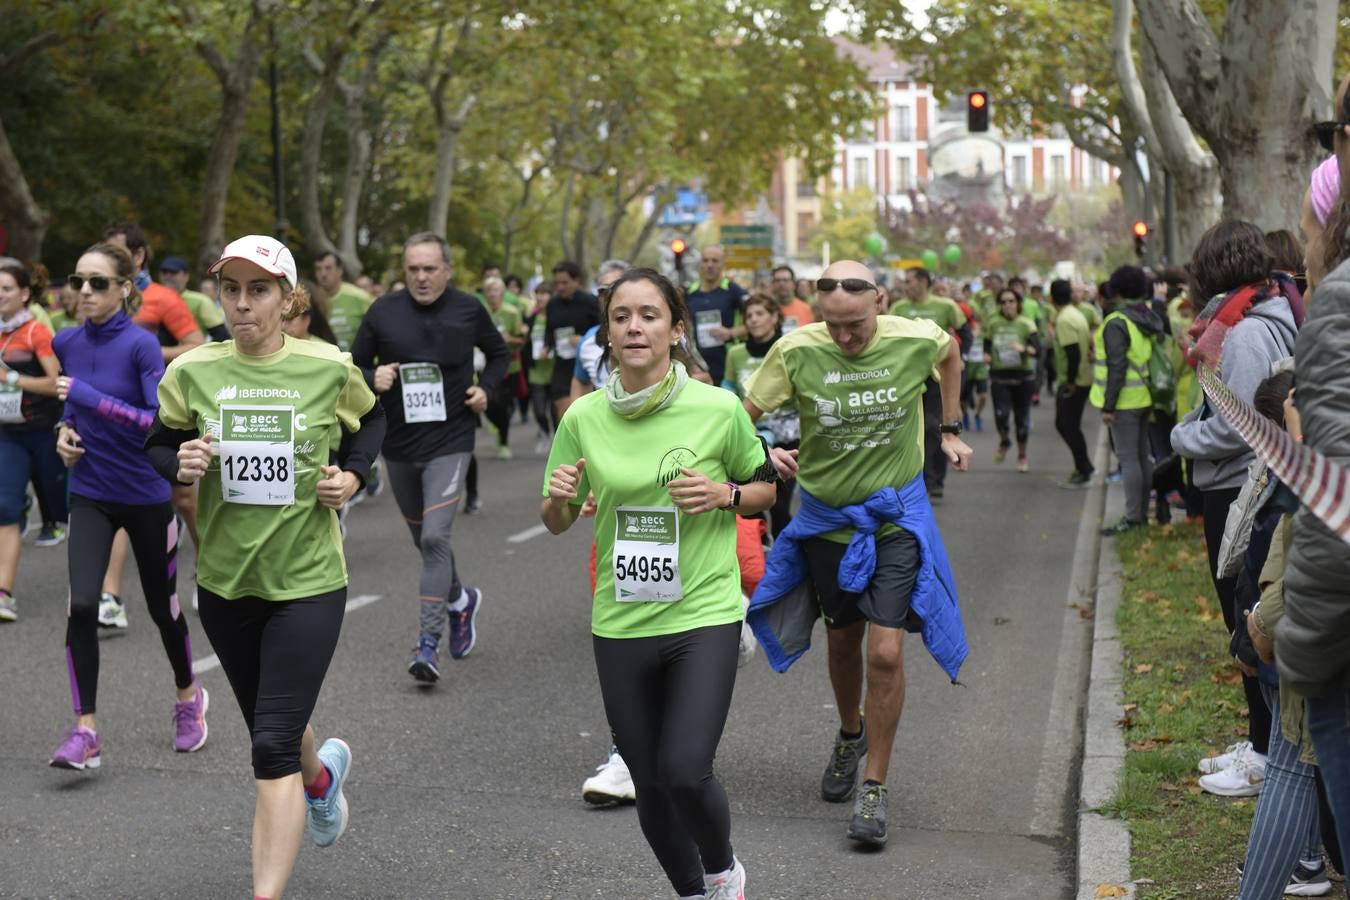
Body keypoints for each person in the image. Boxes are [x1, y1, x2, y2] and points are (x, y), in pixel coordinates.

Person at [145, 234, 384, 900]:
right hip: (224, 581)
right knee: (276, 727)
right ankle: (321, 780)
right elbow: (159, 444)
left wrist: (354, 477)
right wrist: (181, 461)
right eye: (231, 290)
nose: (243, 305)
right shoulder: (192, 371)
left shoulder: (327, 367)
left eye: (259, 291)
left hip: (309, 579)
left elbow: (373, 421)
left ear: (287, 298)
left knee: (269, 743)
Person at [541, 267, 776, 899]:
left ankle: (724, 870)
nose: (635, 326)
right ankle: (694, 893)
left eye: (649, 315)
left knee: (684, 769)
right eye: (621, 317)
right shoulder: (583, 419)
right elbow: (557, 519)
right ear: (608, 335)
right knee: (648, 779)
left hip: (702, 612)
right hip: (621, 619)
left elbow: (766, 491)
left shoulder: (718, 407)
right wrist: (561, 499)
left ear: (676, 330)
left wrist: (724, 493)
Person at [743, 260, 971, 849]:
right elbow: (739, 417)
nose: (845, 338)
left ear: (880, 302)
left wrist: (948, 426)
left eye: (857, 326)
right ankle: (850, 733)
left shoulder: (915, 338)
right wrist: (765, 454)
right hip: (825, 521)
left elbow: (951, 357)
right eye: (834, 325)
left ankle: (875, 784)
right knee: (842, 640)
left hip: (894, 519)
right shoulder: (795, 350)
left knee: (887, 652)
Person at [49, 241, 206, 770]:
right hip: (91, 492)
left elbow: (159, 423)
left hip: (145, 495)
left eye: (97, 283)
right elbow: (72, 408)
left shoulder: (141, 347)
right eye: (78, 282)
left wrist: (96, 402)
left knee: (164, 609)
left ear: (124, 288)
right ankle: (85, 730)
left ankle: (188, 697)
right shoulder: (66, 341)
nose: (85, 292)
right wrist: (65, 431)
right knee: (81, 606)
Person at [1171, 221, 1301, 798]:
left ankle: (1264, 754)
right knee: (1247, 618)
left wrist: (1179, 439)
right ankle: (1260, 741)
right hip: (1237, 482)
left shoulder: (1246, 333)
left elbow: (1240, 426)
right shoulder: (1259, 317)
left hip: (1235, 486)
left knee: (1246, 621)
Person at [351, 232, 508, 683]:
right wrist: (370, 374)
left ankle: (427, 644)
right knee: (424, 541)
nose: (421, 277)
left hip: (451, 440)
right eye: (413, 269)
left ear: (447, 270)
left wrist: (487, 390)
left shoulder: (468, 309)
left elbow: (498, 355)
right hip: (398, 444)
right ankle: (461, 601)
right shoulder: (383, 310)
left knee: (436, 538)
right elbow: (351, 366)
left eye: (429, 269)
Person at [1280, 103, 1350, 863]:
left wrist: (1297, 651)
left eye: (1305, 233)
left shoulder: (1338, 302)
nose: (1303, 254)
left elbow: (1339, 522)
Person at [100, 222, 206, 626]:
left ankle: (209, 567)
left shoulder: (163, 299)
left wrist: (146, 348)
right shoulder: (98, 296)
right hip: (113, 416)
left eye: (116, 252)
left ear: (139, 256)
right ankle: (110, 596)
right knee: (116, 498)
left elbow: (197, 344)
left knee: (183, 498)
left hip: (164, 413)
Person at [0, 262, 65, 620]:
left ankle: (98, 586)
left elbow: (58, 385)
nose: (0, 295)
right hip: (8, 435)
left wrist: (12, 379)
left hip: (44, 433)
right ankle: (3, 593)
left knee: (63, 509)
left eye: (6, 288)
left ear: (24, 294)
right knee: (6, 509)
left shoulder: (35, 331)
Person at [1091, 266, 1165, 534]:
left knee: (1129, 459)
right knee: (1142, 456)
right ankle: (1142, 513)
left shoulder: (1116, 322)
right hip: (1145, 396)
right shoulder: (1147, 315)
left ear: (1117, 290)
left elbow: (1117, 366)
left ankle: (1134, 517)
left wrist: (1108, 406)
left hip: (1124, 402)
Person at [888, 266, 970, 498]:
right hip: (906, 376)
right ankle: (915, 478)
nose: (906, 285)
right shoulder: (898, 308)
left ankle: (935, 480)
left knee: (934, 426)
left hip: (938, 375)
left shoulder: (945, 305)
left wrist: (960, 359)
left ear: (924, 282)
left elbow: (966, 332)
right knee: (907, 428)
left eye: (910, 280)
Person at [723, 293, 800, 538]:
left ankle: (784, 560)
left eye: (760, 314)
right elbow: (728, 389)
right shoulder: (736, 353)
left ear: (775, 317)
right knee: (749, 507)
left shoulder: (790, 349)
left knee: (778, 506)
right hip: (749, 436)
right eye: (749, 316)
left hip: (786, 437)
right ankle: (756, 559)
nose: (754, 320)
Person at [984, 288, 1039, 472]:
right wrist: (986, 355)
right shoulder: (994, 323)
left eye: (1011, 301)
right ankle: (1005, 441)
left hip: (1023, 378)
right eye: (1004, 301)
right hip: (1000, 376)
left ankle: (1022, 456)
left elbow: (1037, 350)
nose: (1007, 305)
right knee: (1001, 415)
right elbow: (988, 343)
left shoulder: (1027, 324)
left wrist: (1023, 349)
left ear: (1018, 304)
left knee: (1022, 421)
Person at [543, 260, 599, 422]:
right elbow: (549, 330)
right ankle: (565, 443)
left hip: (585, 362)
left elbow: (604, 331)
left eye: (565, 283)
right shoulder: (552, 304)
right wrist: (547, 346)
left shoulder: (590, 302)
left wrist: (584, 341)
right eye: (557, 283)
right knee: (562, 407)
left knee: (582, 408)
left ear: (577, 281)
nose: (560, 287)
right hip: (562, 362)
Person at [1051, 279, 1095, 485]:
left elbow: (1073, 353)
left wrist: (1070, 381)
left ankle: (1083, 468)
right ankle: (1084, 466)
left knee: (1067, 425)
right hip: (1082, 377)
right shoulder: (1076, 314)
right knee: (1068, 425)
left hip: (1075, 380)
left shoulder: (1064, 319)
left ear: (1051, 299)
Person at [685, 246, 748, 384]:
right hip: (698, 366)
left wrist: (731, 332)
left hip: (728, 364)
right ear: (700, 264)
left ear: (722, 264)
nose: (709, 265)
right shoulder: (689, 293)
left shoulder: (734, 291)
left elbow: (756, 324)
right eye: (705, 260)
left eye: (715, 261)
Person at [482, 275, 525, 460]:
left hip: (510, 365)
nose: (492, 294)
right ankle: (498, 424)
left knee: (504, 405)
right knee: (488, 404)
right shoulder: (480, 312)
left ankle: (504, 443)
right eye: (489, 291)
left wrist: (510, 339)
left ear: (502, 293)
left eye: (496, 290)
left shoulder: (512, 312)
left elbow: (522, 341)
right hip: (485, 366)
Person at [314, 251, 373, 353]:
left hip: (357, 363)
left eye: (328, 268)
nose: (323, 274)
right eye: (318, 269)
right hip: (326, 362)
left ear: (340, 270)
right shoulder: (312, 300)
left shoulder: (359, 297)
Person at [159, 255, 229, 341]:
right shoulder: (150, 299)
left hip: (192, 351)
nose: (168, 276)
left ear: (186, 276)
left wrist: (203, 353)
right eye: (164, 272)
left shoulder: (201, 301)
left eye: (173, 272)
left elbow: (222, 336)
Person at [524, 281, 557, 454]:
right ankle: (544, 431)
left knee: (554, 410)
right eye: (538, 293)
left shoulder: (557, 318)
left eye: (545, 293)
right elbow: (525, 344)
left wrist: (550, 348)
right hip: (536, 371)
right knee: (538, 409)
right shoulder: (530, 320)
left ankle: (555, 438)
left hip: (555, 371)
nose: (541, 297)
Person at [769, 265, 815, 334]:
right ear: (772, 284)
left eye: (785, 280)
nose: (781, 284)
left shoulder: (806, 309)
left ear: (793, 284)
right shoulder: (766, 309)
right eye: (777, 280)